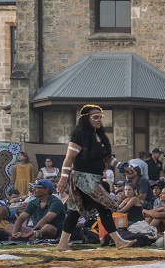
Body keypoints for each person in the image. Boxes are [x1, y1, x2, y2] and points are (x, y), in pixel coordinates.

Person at [55, 105, 135, 250]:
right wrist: (63, 178)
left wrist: (122, 167)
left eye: (100, 117)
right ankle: (118, 241)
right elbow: (69, 158)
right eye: (95, 117)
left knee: (74, 210)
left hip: (94, 178)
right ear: (86, 119)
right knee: (104, 205)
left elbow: (107, 158)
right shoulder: (80, 134)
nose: (99, 120)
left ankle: (62, 244)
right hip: (82, 178)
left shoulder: (99, 136)